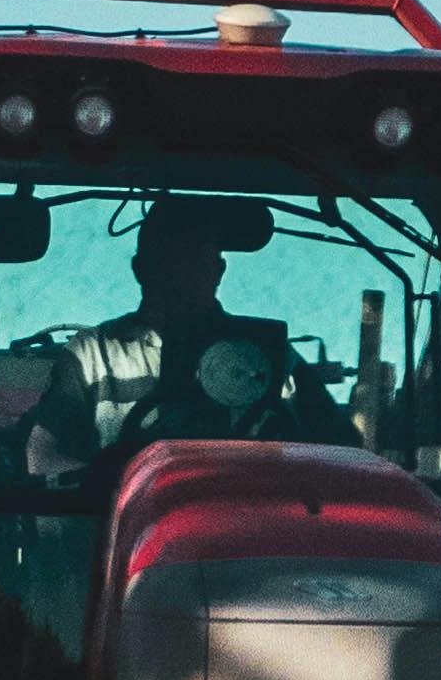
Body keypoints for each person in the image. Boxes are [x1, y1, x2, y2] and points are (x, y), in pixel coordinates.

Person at [20, 199, 348, 482]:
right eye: (167, 259)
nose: (181, 275)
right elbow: (41, 459)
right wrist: (112, 483)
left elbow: (345, 456)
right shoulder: (92, 355)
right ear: (140, 269)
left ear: (218, 271)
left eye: (195, 260)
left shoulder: (271, 356)